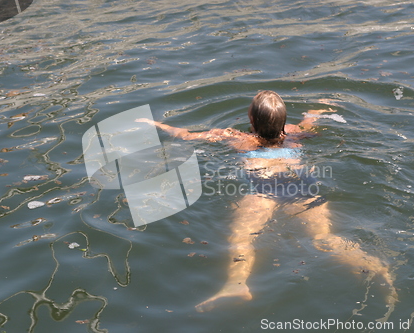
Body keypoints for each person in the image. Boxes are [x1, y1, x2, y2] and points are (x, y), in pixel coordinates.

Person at [136, 90, 397, 314]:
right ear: (284, 121)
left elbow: (186, 135)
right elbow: (310, 123)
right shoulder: (294, 133)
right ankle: (374, 268)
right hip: (303, 189)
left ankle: (236, 284)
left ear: (250, 119)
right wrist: (317, 109)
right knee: (323, 238)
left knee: (242, 240)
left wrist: (156, 125)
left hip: (264, 191)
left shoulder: (237, 138)